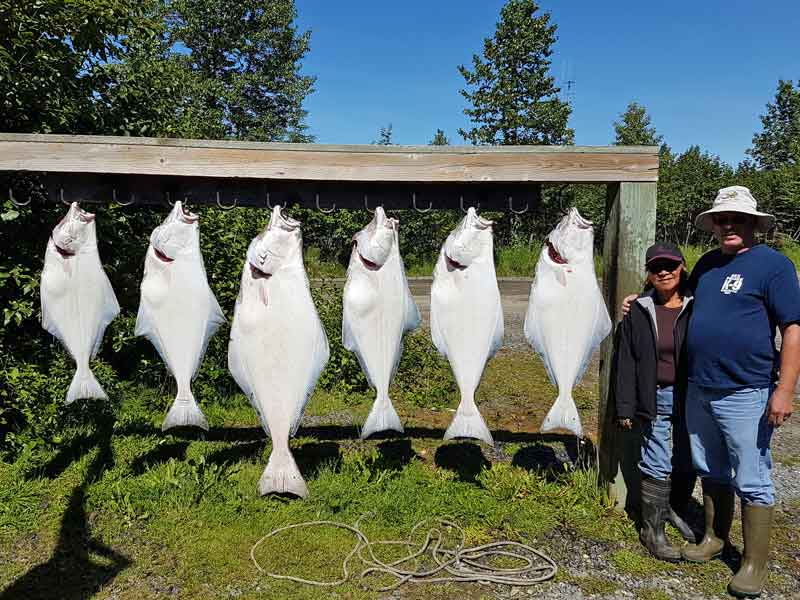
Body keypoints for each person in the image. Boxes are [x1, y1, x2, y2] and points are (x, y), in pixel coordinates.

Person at [622, 186, 800, 597]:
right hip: (699, 388)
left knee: (753, 477)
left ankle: (754, 563)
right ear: (714, 224)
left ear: (754, 223)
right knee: (711, 468)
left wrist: (785, 390)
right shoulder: (706, 265)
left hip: (746, 390)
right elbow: (676, 298)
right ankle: (715, 539)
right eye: (722, 219)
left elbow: (792, 327)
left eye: (737, 218)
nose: (728, 225)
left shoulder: (774, 266)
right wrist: (641, 299)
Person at [614, 242, 696, 561]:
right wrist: (625, 407)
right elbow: (627, 362)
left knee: (689, 459)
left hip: (692, 395)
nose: (663, 271)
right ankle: (653, 530)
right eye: (655, 267)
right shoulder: (638, 310)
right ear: (648, 274)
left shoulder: (698, 305)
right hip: (655, 396)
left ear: (682, 267)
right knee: (657, 460)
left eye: (670, 265)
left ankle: (674, 510)